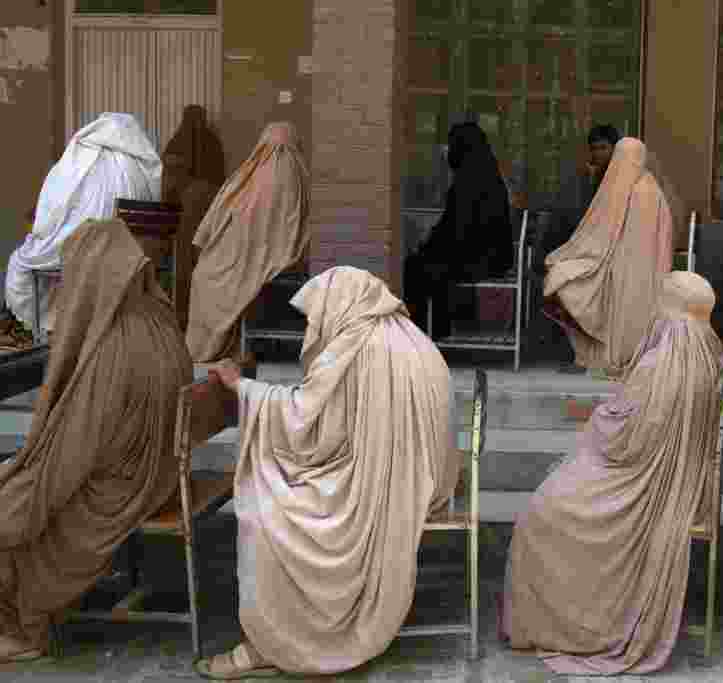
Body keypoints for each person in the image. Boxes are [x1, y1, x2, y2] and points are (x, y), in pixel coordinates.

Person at [196, 266, 460, 679]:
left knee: (267, 514)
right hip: (424, 480)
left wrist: (240, 387)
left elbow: (307, 422)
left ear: (338, 306)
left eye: (314, 317)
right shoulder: (408, 336)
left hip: (377, 487)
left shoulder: (355, 345)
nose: (312, 328)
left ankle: (277, 645)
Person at [501, 271, 723, 674]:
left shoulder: (662, 364)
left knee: (542, 514)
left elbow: (624, 443)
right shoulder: (709, 357)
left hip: (637, 481)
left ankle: (576, 630)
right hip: (673, 478)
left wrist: (602, 416)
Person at [0, 218, 192, 663]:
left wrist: (16, 491)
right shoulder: (156, 320)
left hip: (117, 491)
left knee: (14, 511)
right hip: (152, 474)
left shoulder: (113, 348)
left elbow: (69, 462)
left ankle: (21, 629)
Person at [5, 113, 162, 333]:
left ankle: (53, 329)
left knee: (23, 261)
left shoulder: (82, 160)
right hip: (136, 258)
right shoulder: (142, 169)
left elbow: (53, 212)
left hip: (91, 256)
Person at [543, 137, 674, 378]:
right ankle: (597, 356)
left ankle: (590, 357)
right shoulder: (652, 188)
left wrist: (570, 254)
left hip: (617, 270)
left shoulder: (627, 188)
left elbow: (601, 234)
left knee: (562, 276)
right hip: (645, 278)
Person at [186, 121, 310, 362]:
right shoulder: (301, 177)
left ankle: (212, 346)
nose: (278, 158)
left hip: (242, 259)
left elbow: (217, 218)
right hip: (278, 262)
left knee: (205, 277)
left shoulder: (246, 176)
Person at [403, 122, 512, 340]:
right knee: (429, 265)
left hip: (482, 260)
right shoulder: (486, 175)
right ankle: (438, 330)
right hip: (492, 257)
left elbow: (455, 229)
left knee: (415, 268)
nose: (448, 151)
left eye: (452, 145)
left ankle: (423, 335)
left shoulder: (469, 181)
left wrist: (427, 246)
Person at [534, 124, 621, 373]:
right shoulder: (587, 180)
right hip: (588, 250)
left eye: (604, 148)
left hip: (609, 256)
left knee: (566, 280)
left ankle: (582, 355)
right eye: (594, 149)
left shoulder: (620, 182)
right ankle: (576, 353)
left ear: (615, 150)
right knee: (560, 274)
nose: (598, 154)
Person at [161, 104, 226, 330]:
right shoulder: (214, 144)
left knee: (182, 266)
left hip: (184, 220)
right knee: (208, 268)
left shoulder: (176, 143)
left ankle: (181, 317)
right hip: (212, 218)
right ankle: (206, 321)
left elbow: (167, 187)